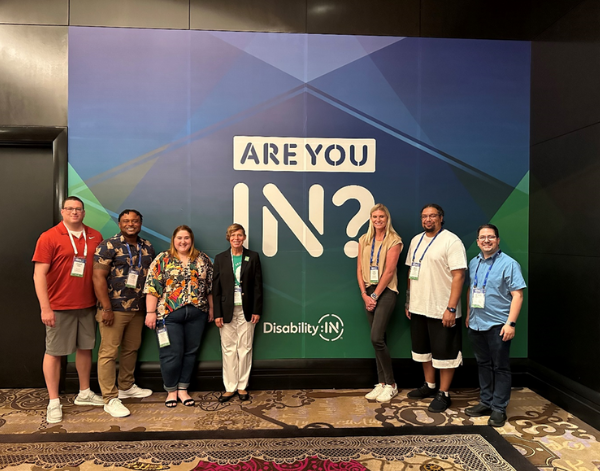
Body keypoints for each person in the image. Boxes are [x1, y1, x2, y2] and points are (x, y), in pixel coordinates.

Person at [32, 196, 104, 423]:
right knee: (54, 352)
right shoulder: (49, 237)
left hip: (87, 304)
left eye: (79, 209)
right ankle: (53, 401)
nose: (74, 212)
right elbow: (39, 274)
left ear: (83, 213)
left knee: (85, 348)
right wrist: (46, 308)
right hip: (58, 306)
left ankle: (84, 392)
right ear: (62, 212)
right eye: (70, 209)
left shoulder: (95, 236)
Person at [93, 209, 155, 418]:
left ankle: (126, 386)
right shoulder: (108, 245)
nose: (131, 224)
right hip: (114, 309)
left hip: (137, 308)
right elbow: (98, 278)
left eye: (135, 221)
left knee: (131, 349)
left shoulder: (147, 246)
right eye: (126, 221)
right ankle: (110, 398)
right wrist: (106, 308)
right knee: (108, 353)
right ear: (119, 224)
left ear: (140, 223)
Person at [405, 203, 467, 413]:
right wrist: (408, 301)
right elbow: (411, 273)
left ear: (441, 218)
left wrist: (451, 308)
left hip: (443, 308)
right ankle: (430, 386)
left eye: (432, 216)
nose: (427, 220)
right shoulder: (416, 240)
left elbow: (459, 275)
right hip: (419, 306)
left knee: (445, 353)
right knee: (424, 351)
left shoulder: (451, 241)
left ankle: (444, 393)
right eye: (424, 216)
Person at [144, 225, 213, 408]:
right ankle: (171, 390)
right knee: (171, 353)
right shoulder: (163, 259)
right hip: (169, 314)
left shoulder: (202, 259)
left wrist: (212, 309)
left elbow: (210, 287)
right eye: (179, 238)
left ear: (192, 240)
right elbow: (152, 286)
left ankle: (183, 389)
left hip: (197, 312)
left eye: (187, 238)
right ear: (174, 240)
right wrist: (150, 312)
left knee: (190, 353)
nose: (183, 242)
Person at [465, 224, 526, 427]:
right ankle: (486, 401)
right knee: (483, 364)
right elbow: (471, 291)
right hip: (476, 323)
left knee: (500, 367)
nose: (486, 241)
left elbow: (517, 295)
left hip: (498, 324)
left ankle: (499, 408)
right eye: (482, 237)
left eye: (491, 237)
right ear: (477, 242)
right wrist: (468, 315)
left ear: (498, 240)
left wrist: (511, 323)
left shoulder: (509, 264)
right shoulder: (474, 263)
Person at [357, 204, 403, 403]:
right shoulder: (364, 240)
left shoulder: (394, 240)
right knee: (379, 338)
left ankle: (391, 384)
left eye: (381, 216)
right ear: (371, 218)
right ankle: (381, 383)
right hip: (368, 292)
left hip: (386, 293)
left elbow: (390, 271)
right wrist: (364, 294)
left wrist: (374, 296)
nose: (378, 220)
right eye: (374, 216)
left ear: (387, 218)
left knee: (376, 338)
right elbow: (359, 269)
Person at [213, 223, 263, 403]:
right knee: (228, 349)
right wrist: (217, 312)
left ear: (244, 237)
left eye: (240, 235)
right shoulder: (220, 258)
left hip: (247, 309)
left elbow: (258, 286)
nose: (236, 238)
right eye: (233, 235)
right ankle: (230, 387)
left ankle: (242, 386)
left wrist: (257, 309)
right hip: (226, 310)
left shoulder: (253, 257)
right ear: (228, 237)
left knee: (245, 347)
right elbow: (216, 288)